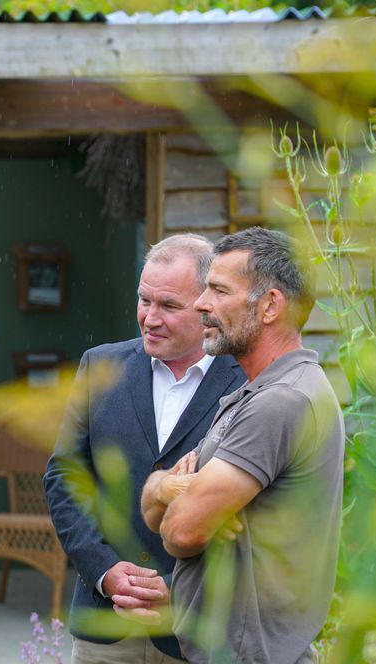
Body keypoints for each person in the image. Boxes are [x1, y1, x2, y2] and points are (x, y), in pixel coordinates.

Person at [140, 227, 344, 663]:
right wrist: (165, 488)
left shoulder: (280, 401)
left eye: (218, 290)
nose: (201, 304)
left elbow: (179, 532)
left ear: (270, 305)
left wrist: (182, 502)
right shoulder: (252, 394)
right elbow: (159, 512)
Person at [44, 234, 246, 664]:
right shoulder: (99, 366)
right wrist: (104, 570)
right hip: (104, 626)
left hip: (199, 633)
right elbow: (64, 479)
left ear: (208, 304)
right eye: (144, 301)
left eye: (169, 306)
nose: (150, 318)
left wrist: (176, 587)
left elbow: (254, 514)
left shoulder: (247, 384)